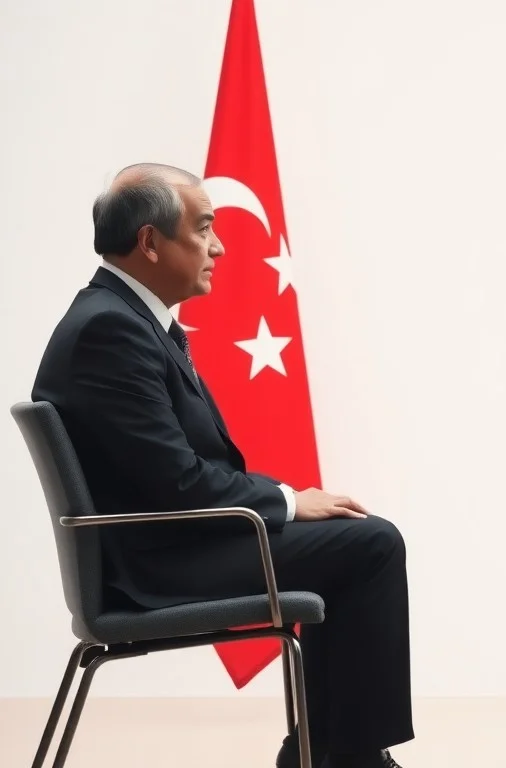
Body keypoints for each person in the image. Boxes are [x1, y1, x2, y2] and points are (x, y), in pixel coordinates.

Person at [31, 163, 412, 768]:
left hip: (166, 544)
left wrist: (287, 502)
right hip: (156, 563)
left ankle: (325, 753)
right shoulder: (111, 329)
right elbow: (178, 483)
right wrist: (288, 501)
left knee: (354, 543)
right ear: (150, 242)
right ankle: (347, 758)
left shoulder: (124, 317)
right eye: (204, 228)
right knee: (372, 545)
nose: (220, 246)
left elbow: (171, 473)